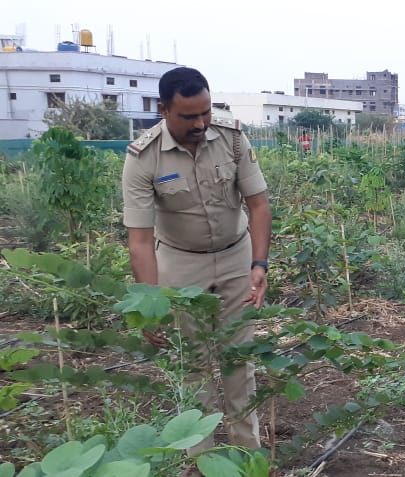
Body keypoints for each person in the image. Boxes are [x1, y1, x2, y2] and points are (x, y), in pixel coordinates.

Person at [121, 66, 271, 455]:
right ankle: (200, 457)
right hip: (180, 262)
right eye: (189, 116)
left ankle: (246, 453)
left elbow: (257, 204)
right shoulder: (143, 158)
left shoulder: (233, 140)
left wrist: (260, 265)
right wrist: (150, 305)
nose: (201, 123)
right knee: (195, 363)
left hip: (237, 257)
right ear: (164, 109)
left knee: (239, 360)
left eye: (205, 112)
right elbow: (139, 240)